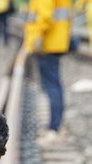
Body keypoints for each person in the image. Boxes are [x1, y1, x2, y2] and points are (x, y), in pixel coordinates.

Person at [25, 0, 72, 145]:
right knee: (53, 84)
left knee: (51, 85)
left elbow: (45, 15)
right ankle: (55, 125)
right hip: (54, 40)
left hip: (47, 42)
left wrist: (37, 36)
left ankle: (54, 128)